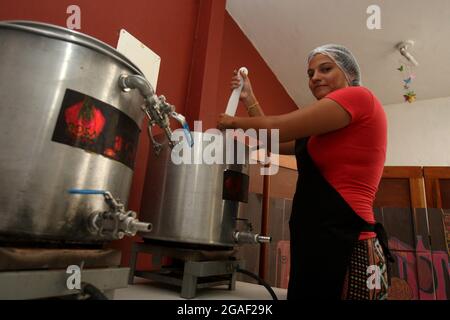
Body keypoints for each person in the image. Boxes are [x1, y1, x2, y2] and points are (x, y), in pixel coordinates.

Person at [217, 44, 394, 300]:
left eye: (325, 69)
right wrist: (249, 97)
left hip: (347, 241)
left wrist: (232, 122)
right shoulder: (323, 128)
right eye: (310, 74)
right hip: (315, 239)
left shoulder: (358, 96)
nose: (315, 78)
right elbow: (274, 140)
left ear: (349, 74)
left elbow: (280, 126)